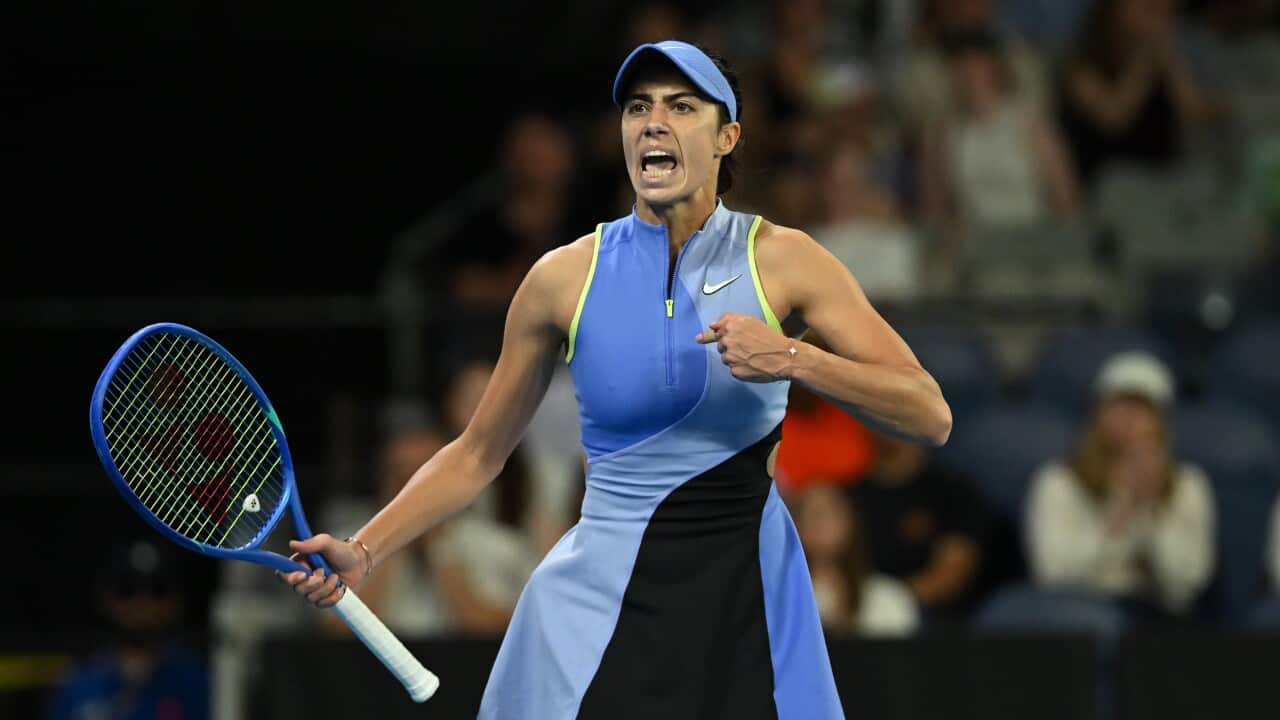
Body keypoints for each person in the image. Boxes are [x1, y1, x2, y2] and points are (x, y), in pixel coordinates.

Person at [279, 40, 951, 718]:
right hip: (593, 609)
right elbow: (478, 452)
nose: (653, 122)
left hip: (748, 604)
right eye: (638, 107)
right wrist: (366, 549)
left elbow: (929, 412)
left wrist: (795, 360)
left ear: (727, 136)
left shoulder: (786, 261)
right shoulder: (559, 279)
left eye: (681, 106)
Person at [1025, 351, 1215, 620]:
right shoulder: (1058, 482)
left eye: (1142, 410)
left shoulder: (1189, 485)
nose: (1129, 420)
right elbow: (1054, 575)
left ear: (1160, 422)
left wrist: (1149, 509)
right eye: (1119, 406)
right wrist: (1120, 515)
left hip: (1160, 620)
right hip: (1078, 616)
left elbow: (1188, 581)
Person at [49, 539, 208, 720]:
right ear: (107, 598)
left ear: (176, 601)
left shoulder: (202, 684)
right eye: (127, 589)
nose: (141, 601)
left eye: (157, 590)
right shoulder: (78, 685)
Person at [852, 431, 991, 624]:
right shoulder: (851, 496)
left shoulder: (952, 492)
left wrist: (891, 601)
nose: (891, 424)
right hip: (860, 614)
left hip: (935, 620)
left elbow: (951, 574)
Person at [793, 483, 920, 637]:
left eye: (830, 511)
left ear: (850, 520)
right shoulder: (780, 601)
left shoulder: (889, 597)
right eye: (809, 513)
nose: (819, 521)